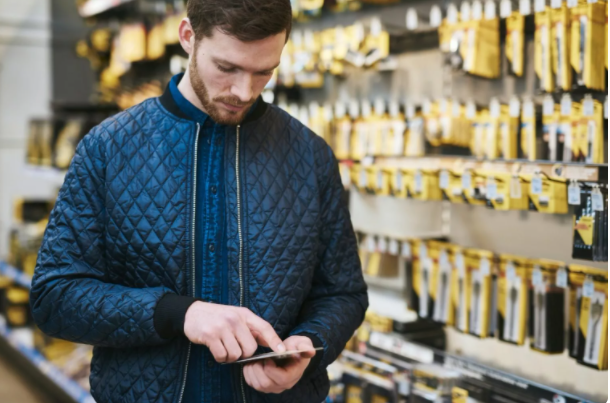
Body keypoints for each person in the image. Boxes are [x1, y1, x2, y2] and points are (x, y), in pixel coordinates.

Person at [30, 0, 368, 402]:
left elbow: (342, 293)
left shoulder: (309, 156)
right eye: (227, 68)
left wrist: (310, 346)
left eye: (264, 72)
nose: (244, 91)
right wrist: (180, 314)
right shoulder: (108, 149)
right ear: (188, 37)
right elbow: (56, 295)